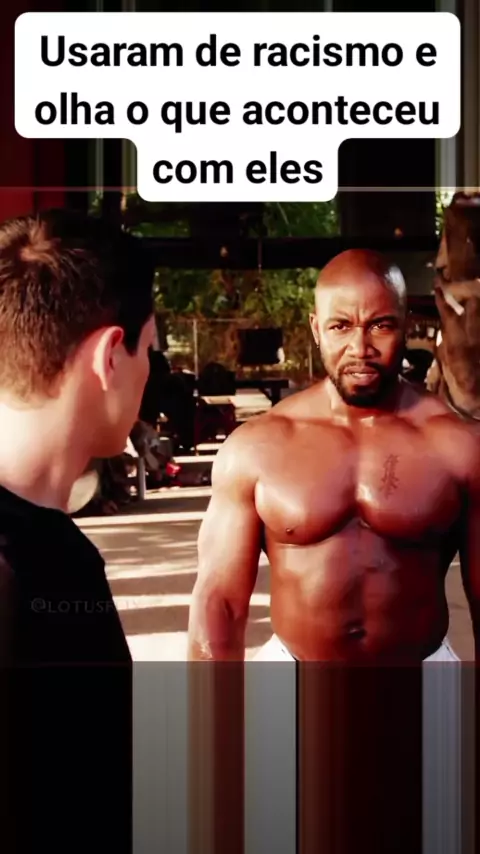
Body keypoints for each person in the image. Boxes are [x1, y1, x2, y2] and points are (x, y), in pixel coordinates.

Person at [188, 249, 480, 854]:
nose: (360, 347)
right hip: (293, 675)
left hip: (421, 677)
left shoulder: (457, 447)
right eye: (342, 326)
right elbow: (219, 601)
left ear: (406, 324)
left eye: (380, 325)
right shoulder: (260, 445)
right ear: (317, 328)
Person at [0, 209, 155, 853]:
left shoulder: (54, 547)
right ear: (109, 355)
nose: (150, 372)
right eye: (150, 351)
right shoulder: (14, 566)